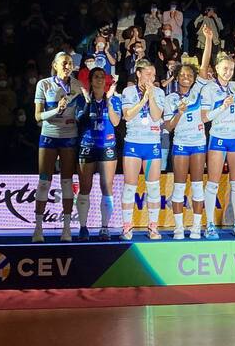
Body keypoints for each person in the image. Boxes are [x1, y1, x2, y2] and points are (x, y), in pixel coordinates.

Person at [163, 26, 212, 239]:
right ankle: (178, 228)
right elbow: (168, 127)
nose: (186, 77)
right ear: (176, 77)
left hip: (198, 144)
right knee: (179, 187)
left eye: (189, 75)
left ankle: (196, 228)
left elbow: (204, 66)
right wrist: (179, 113)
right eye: (182, 74)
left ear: (193, 78)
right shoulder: (170, 99)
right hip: (181, 144)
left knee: (198, 187)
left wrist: (208, 40)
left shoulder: (199, 91)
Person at [200, 51, 235, 239]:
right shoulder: (208, 89)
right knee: (213, 183)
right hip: (218, 137)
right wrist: (222, 106)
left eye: (231, 69)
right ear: (216, 68)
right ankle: (210, 224)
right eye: (225, 69)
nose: (228, 72)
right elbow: (204, 117)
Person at [32, 52, 84, 242]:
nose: (67, 66)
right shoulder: (44, 84)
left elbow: (83, 110)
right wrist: (57, 110)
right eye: (63, 63)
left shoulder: (77, 85)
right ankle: (38, 229)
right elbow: (38, 116)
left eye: (69, 63)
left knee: (67, 182)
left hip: (69, 137)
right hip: (49, 136)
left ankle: (67, 229)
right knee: (44, 182)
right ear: (55, 65)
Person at [120, 59, 165, 241]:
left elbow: (156, 116)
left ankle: (153, 226)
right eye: (148, 74)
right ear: (138, 74)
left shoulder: (159, 92)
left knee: (153, 187)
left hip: (152, 143)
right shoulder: (128, 91)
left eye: (153, 75)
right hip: (133, 143)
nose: (151, 78)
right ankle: (127, 226)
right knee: (130, 187)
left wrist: (151, 96)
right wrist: (143, 99)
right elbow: (127, 116)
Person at [76, 68, 121, 241]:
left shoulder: (114, 99)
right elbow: (80, 121)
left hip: (107, 146)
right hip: (87, 145)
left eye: (102, 77)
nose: (100, 79)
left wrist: (108, 102)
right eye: (96, 77)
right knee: (85, 187)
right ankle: (83, 227)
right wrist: (88, 103)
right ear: (90, 80)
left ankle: (105, 228)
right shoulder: (82, 99)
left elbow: (116, 122)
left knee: (106, 186)